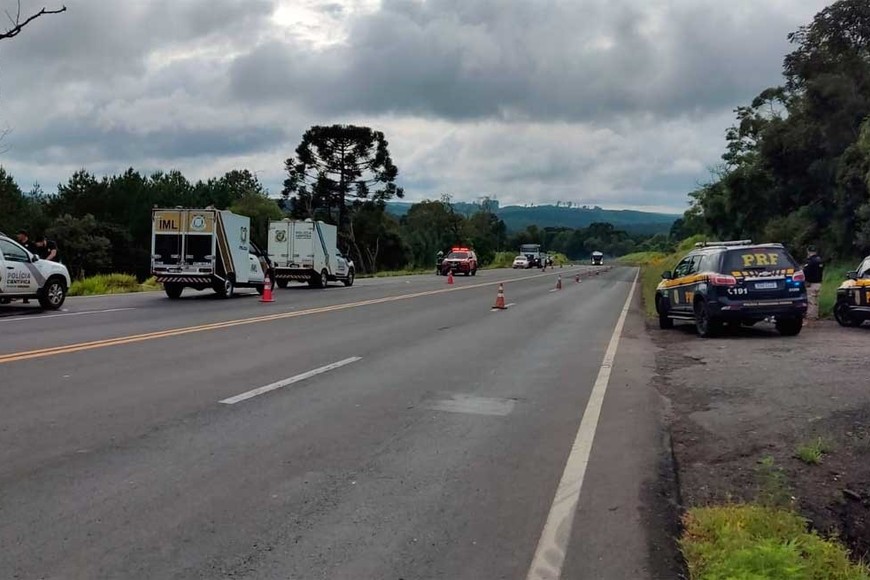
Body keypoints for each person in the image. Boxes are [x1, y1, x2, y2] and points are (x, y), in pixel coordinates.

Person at [14, 230, 38, 303]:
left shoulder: (31, 244)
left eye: (19, 234)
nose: (18, 236)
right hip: (19, 264)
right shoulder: (18, 244)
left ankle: (26, 297)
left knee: (26, 281)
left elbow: (34, 255)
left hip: (29, 265)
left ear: (24, 235)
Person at [803, 246, 824, 324]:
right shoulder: (820, 260)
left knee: (810, 301)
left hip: (811, 284)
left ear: (809, 251)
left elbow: (806, 272)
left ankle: (810, 318)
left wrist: (806, 281)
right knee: (816, 301)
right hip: (818, 283)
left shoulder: (810, 261)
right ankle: (815, 316)